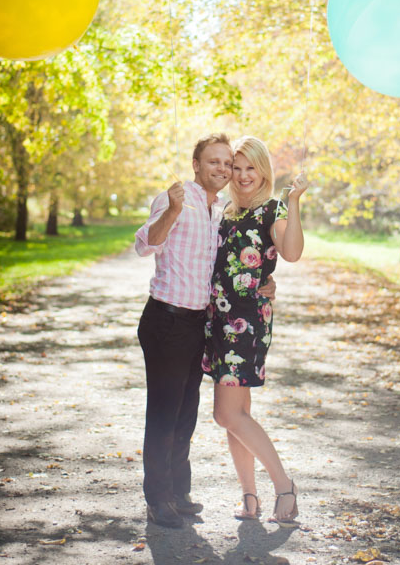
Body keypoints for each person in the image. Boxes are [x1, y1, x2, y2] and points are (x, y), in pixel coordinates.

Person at [135, 133, 275, 529]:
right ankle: (158, 499)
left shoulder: (221, 212)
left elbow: (232, 267)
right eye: (213, 161)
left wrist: (268, 282)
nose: (222, 168)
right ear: (196, 164)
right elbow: (146, 245)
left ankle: (179, 493)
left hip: (200, 323)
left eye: (227, 163)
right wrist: (172, 210)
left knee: (186, 414)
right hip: (167, 320)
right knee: (164, 413)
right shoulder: (175, 199)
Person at [203, 136, 308, 527]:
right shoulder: (225, 212)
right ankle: (249, 496)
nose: (244, 175)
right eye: (238, 167)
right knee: (237, 414)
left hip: (245, 324)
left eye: (252, 167)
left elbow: (292, 252)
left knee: (225, 413)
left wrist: (294, 203)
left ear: (264, 170)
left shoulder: (272, 209)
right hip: (217, 322)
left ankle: (284, 486)